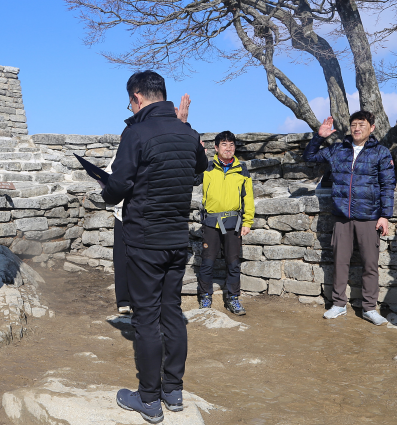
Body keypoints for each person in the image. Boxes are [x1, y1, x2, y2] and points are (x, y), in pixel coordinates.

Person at [101, 71, 207, 423]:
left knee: (146, 317)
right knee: (171, 311)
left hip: (145, 240)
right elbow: (199, 166)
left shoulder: (136, 132)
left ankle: (148, 398)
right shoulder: (188, 133)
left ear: (137, 98)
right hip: (176, 239)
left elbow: (119, 184)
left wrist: (106, 190)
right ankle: (172, 390)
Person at [303, 111, 395, 326]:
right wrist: (320, 137)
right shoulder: (337, 150)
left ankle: (370, 308)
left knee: (370, 264)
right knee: (339, 262)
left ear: (371, 127)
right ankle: (338, 304)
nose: (356, 128)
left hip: (369, 217)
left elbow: (388, 185)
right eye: (353, 124)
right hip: (342, 216)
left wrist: (384, 215)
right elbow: (308, 157)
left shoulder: (381, 153)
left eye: (361, 125)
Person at [106, 94, 193, 316]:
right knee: (122, 258)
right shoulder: (133, 135)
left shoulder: (150, 136)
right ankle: (125, 300)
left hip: (149, 221)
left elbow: (193, 167)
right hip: (129, 215)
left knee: (151, 304)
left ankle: (143, 307)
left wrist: (181, 124)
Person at [197, 131, 254, 315]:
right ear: (216, 147)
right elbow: (189, 174)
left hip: (233, 224)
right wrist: (195, 151)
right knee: (207, 262)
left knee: (233, 262)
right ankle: (205, 296)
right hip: (211, 223)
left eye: (231, 145)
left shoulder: (242, 170)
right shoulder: (206, 167)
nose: (228, 148)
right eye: (224, 144)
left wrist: (247, 222)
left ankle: (233, 298)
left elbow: (249, 199)